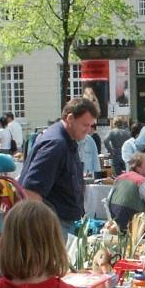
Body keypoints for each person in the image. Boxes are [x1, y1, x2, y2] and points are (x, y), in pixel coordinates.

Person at [18, 97, 99, 235]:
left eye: (91, 126)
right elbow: (31, 190)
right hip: (52, 225)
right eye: (85, 125)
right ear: (70, 118)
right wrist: (44, 232)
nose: (89, 130)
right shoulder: (57, 143)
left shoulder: (65, 140)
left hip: (60, 221)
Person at [107, 152, 145, 231]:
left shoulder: (119, 178)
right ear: (138, 168)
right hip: (131, 221)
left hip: (114, 217)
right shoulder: (141, 181)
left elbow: (109, 199)